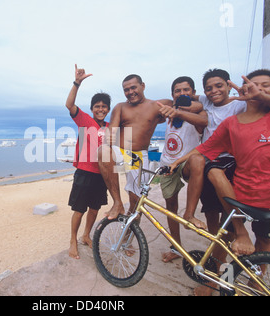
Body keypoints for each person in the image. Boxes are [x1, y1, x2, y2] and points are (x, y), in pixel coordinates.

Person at [171, 69, 270, 295]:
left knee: (263, 244)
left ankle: (255, 285)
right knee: (227, 240)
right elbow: (205, 148)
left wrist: (262, 97)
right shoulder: (232, 123)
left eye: (264, 86)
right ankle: (216, 282)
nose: (258, 89)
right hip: (239, 195)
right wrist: (178, 161)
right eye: (253, 85)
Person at [98, 75, 165, 220]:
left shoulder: (156, 105)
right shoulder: (121, 107)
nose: (130, 92)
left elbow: (188, 102)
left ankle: (128, 238)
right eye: (126, 90)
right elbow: (112, 130)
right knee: (103, 150)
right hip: (122, 152)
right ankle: (117, 202)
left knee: (136, 203)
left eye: (133, 87)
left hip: (138, 156)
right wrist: (110, 136)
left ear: (143, 86)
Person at [157, 76, 208, 263]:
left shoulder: (200, 111)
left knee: (197, 160)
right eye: (178, 91)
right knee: (171, 208)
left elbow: (203, 123)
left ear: (194, 93)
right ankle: (176, 247)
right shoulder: (169, 109)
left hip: (185, 163)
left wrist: (182, 109)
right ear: (172, 95)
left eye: (186, 90)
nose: (182, 93)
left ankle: (190, 213)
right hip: (166, 162)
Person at [66, 65, 111, 260]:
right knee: (79, 210)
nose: (100, 109)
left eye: (104, 107)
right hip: (84, 172)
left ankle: (86, 235)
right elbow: (69, 105)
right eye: (97, 106)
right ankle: (73, 239)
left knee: (95, 209)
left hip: (102, 175)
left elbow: (114, 154)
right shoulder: (84, 120)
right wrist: (77, 83)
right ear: (92, 109)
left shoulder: (111, 128)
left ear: (108, 109)